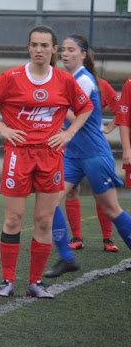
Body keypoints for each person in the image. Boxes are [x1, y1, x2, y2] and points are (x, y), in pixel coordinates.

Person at [0, 26, 93, 299]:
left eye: (45, 45)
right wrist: (1, 128)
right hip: (18, 155)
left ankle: (35, 282)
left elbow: (85, 107)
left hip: (51, 156)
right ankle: (7, 281)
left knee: (43, 221)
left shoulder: (64, 80)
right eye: (34, 44)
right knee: (14, 218)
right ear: (28, 47)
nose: (39, 49)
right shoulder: (12, 77)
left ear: (53, 50)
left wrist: (69, 133)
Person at [44, 34, 131, 278]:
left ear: (83, 55)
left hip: (93, 152)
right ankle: (67, 258)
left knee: (111, 209)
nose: (66, 53)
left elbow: (77, 118)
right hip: (73, 154)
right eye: (64, 49)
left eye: (72, 50)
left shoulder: (84, 80)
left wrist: (57, 108)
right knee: (49, 202)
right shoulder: (69, 79)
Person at [60, 75, 121, 253]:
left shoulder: (101, 85)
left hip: (94, 148)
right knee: (71, 191)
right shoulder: (65, 83)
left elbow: (122, 111)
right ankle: (77, 237)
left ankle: (107, 238)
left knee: (100, 193)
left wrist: (107, 129)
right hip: (71, 147)